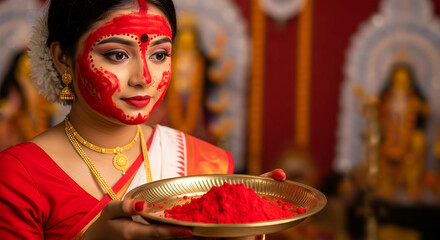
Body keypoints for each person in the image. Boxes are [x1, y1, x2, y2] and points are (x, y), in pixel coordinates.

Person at [0, 0, 284, 239]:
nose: (144, 78)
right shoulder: (18, 176)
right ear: (62, 58)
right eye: (118, 55)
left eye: (160, 54)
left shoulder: (206, 167)